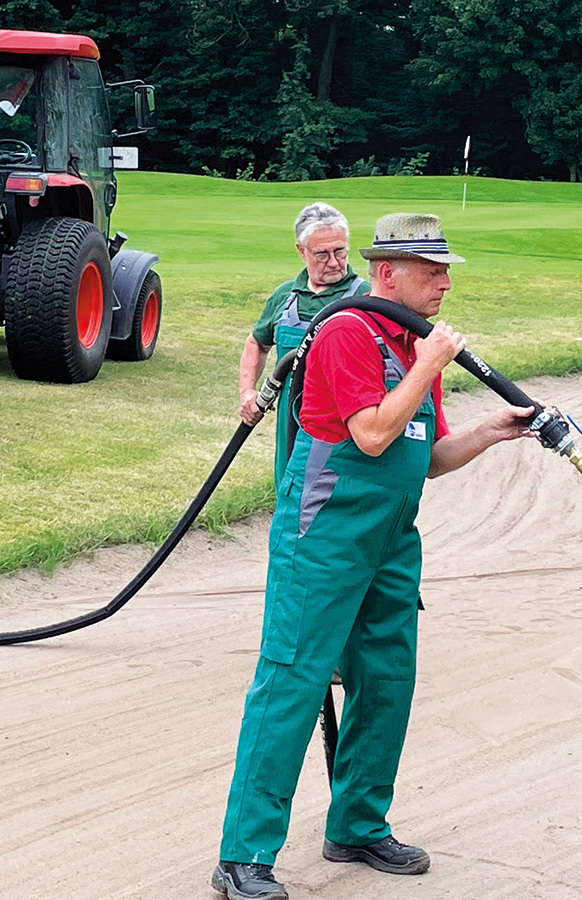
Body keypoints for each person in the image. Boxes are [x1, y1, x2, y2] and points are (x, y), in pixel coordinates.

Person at [213, 214, 536, 900]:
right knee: (292, 684)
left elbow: (427, 455)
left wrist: (487, 432)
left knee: (387, 680)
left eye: (447, 271)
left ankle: (357, 825)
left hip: (391, 539)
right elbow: (372, 434)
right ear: (388, 273)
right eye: (433, 271)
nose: (446, 283)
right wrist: (428, 364)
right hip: (323, 537)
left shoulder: (412, 342)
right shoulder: (347, 334)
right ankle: (242, 855)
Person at [241, 203, 371, 481]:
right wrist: (247, 392)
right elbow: (256, 343)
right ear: (302, 251)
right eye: (322, 254)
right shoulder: (285, 295)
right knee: (289, 488)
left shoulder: (366, 297)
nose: (334, 262)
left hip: (341, 426)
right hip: (290, 422)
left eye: (340, 251)